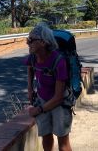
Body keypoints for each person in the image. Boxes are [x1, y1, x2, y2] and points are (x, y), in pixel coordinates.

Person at [26, 23, 73, 151]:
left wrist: (38, 110)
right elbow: (29, 68)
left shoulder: (59, 61)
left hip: (59, 104)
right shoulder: (33, 57)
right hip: (42, 100)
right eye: (27, 40)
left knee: (63, 143)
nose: (27, 43)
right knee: (46, 140)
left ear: (43, 42)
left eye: (31, 40)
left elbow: (58, 97)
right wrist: (30, 89)